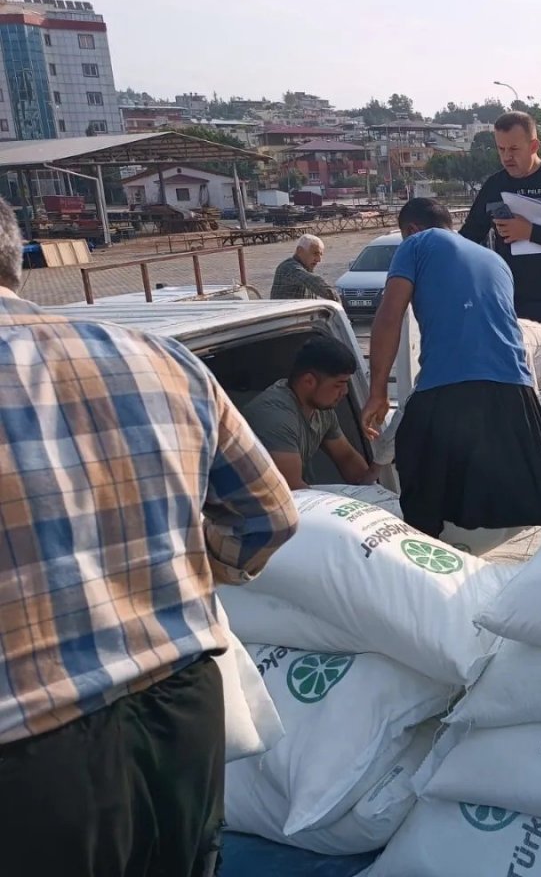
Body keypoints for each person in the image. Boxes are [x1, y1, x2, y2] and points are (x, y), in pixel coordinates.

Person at [0, 197, 299, 874]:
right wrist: (177, 563)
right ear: (15, 262)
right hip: (180, 710)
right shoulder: (159, 360)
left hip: (28, 749)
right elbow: (270, 517)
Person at [362, 197, 541, 538]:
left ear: (411, 229)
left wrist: (378, 393)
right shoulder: (494, 260)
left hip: (447, 385)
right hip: (515, 389)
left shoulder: (416, 243)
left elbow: (389, 316)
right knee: (537, 494)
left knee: (421, 488)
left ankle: (423, 562)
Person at [459, 111, 541, 456]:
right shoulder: (494, 185)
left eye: (514, 149)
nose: (507, 157)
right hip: (508, 305)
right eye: (501, 149)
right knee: (515, 386)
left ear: (534, 145)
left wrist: (530, 231)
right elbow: (469, 237)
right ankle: (523, 458)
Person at [241, 334, 380, 490]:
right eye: (338, 385)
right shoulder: (275, 418)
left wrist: (372, 487)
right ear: (309, 381)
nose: (345, 391)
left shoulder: (321, 410)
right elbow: (292, 489)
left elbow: (346, 458)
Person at [271, 233, 339, 301]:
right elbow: (312, 280)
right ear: (299, 251)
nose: (319, 260)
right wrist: (335, 297)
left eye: (320, 255)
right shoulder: (288, 267)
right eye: (315, 253)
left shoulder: (306, 269)